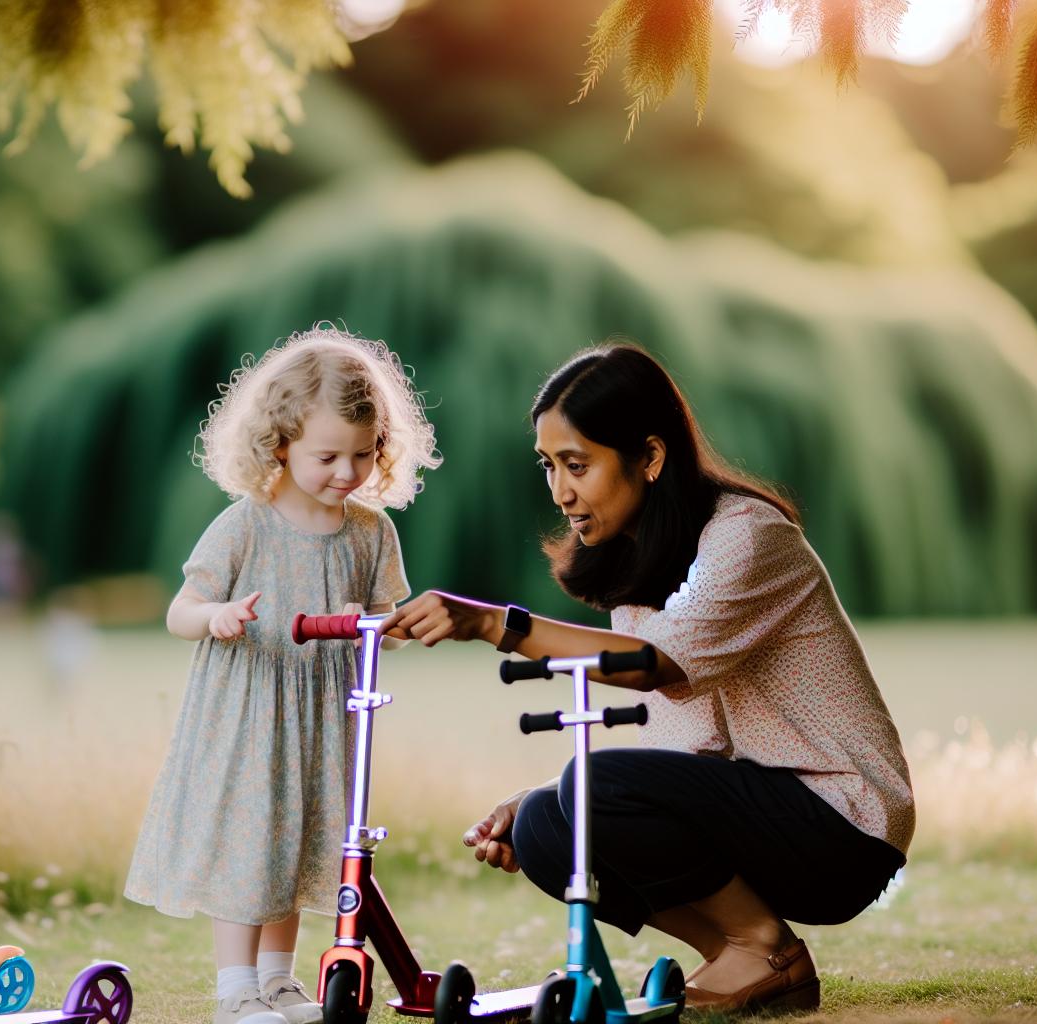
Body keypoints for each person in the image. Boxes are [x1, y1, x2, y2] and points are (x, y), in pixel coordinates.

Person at [377, 342, 912, 1014]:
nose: (560, 491)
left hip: (843, 827)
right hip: (756, 810)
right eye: (549, 466)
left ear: (651, 458)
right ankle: (744, 956)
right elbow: (678, 747)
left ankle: (761, 943)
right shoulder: (641, 571)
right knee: (546, 826)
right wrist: (551, 796)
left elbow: (650, 664)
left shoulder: (749, 537)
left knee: (583, 788)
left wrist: (494, 626)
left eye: (578, 465)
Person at [126, 326, 442, 1024]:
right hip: (249, 710)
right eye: (326, 455)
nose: (346, 472)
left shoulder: (371, 533)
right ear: (280, 444)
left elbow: (386, 624)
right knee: (252, 842)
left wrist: (376, 623)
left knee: (302, 837)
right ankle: (234, 988)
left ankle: (278, 980)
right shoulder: (247, 525)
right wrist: (217, 618)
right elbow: (181, 608)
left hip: (325, 713)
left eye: (363, 455)